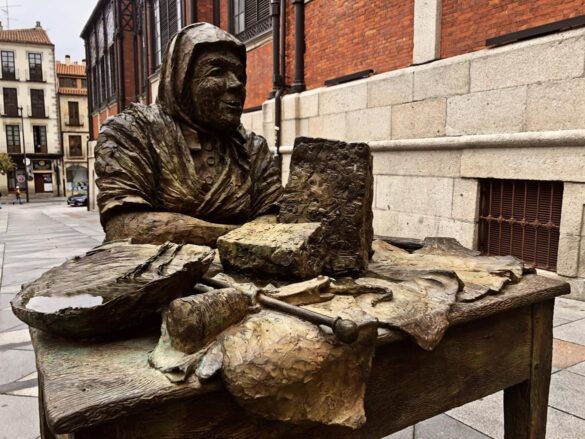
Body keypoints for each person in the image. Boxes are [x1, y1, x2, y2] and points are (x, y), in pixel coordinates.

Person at [95, 23, 282, 246]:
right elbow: (126, 228)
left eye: (240, 75)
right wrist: (240, 236)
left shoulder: (253, 148)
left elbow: (276, 217)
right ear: (181, 81)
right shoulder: (131, 131)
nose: (236, 84)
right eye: (216, 72)